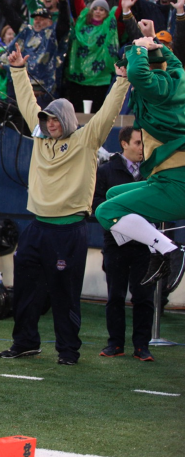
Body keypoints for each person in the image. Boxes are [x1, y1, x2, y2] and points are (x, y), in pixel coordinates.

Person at [1, 46, 130, 366]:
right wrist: (18, 70)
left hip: (69, 229)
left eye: (55, 118)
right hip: (36, 227)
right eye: (47, 118)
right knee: (25, 291)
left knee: (65, 294)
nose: (49, 122)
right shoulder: (39, 136)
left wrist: (122, 79)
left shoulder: (87, 139)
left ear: (68, 119)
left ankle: (68, 351)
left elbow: (108, 112)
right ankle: (25, 342)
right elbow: (27, 104)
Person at [95, 32, 185, 312]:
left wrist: (138, 48)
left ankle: (170, 250)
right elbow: (169, 61)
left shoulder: (159, 94)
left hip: (175, 184)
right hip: (165, 179)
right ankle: (156, 247)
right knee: (112, 194)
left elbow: (138, 72)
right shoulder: (177, 78)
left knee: (105, 212)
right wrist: (153, 44)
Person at [93, 127, 155, 362]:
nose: (142, 148)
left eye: (143, 143)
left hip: (144, 245)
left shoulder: (152, 173)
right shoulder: (106, 171)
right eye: (138, 143)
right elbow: (96, 203)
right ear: (124, 144)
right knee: (115, 296)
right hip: (115, 244)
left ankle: (142, 346)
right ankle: (115, 344)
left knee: (144, 297)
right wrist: (121, 219)